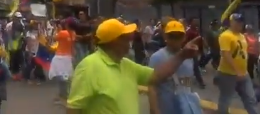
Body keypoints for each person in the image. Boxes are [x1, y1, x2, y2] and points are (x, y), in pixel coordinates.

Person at [67, 18, 200, 114]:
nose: (130, 40)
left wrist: (182, 55)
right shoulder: (89, 66)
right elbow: (74, 108)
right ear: (114, 42)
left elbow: (156, 76)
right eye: (125, 38)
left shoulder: (126, 64)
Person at [147, 20, 194, 113]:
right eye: (172, 36)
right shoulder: (157, 57)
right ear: (165, 37)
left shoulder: (188, 57)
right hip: (165, 108)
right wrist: (154, 110)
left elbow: (188, 83)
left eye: (179, 36)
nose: (175, 40)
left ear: (184, 37)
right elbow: (152, 86)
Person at [216, 13, 258, 114]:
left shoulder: (242, 36)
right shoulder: (225, 36)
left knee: (250, 98)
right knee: (226, 99)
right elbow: (226, 54)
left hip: (244, 73)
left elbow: (243, 53)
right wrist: (237, 70)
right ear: (231, 22)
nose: (239, 24)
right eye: (237, 21)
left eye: (241, 22)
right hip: (227, 74)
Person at [49, 17, 76, 105]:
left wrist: (58, 29)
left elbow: (53, 39)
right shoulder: (73, 33)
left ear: (67, 25)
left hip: (60, 57)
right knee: (66, 77)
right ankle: (65, 95)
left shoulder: (62, 33)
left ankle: (63, 96)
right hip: (68, 57)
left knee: (60, 78)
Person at [185, 18, 205, 88]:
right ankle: (200, 82)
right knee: (193, 67)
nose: (197, 22)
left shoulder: (196, 30)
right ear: (191, 22)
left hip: (195, 52)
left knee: (194, 67)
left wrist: (201, 50)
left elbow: (200, 42)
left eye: (197, 21)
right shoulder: (188, 31)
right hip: (189, 52)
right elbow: (185, 42)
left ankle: (198, 81)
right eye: (195, 21)